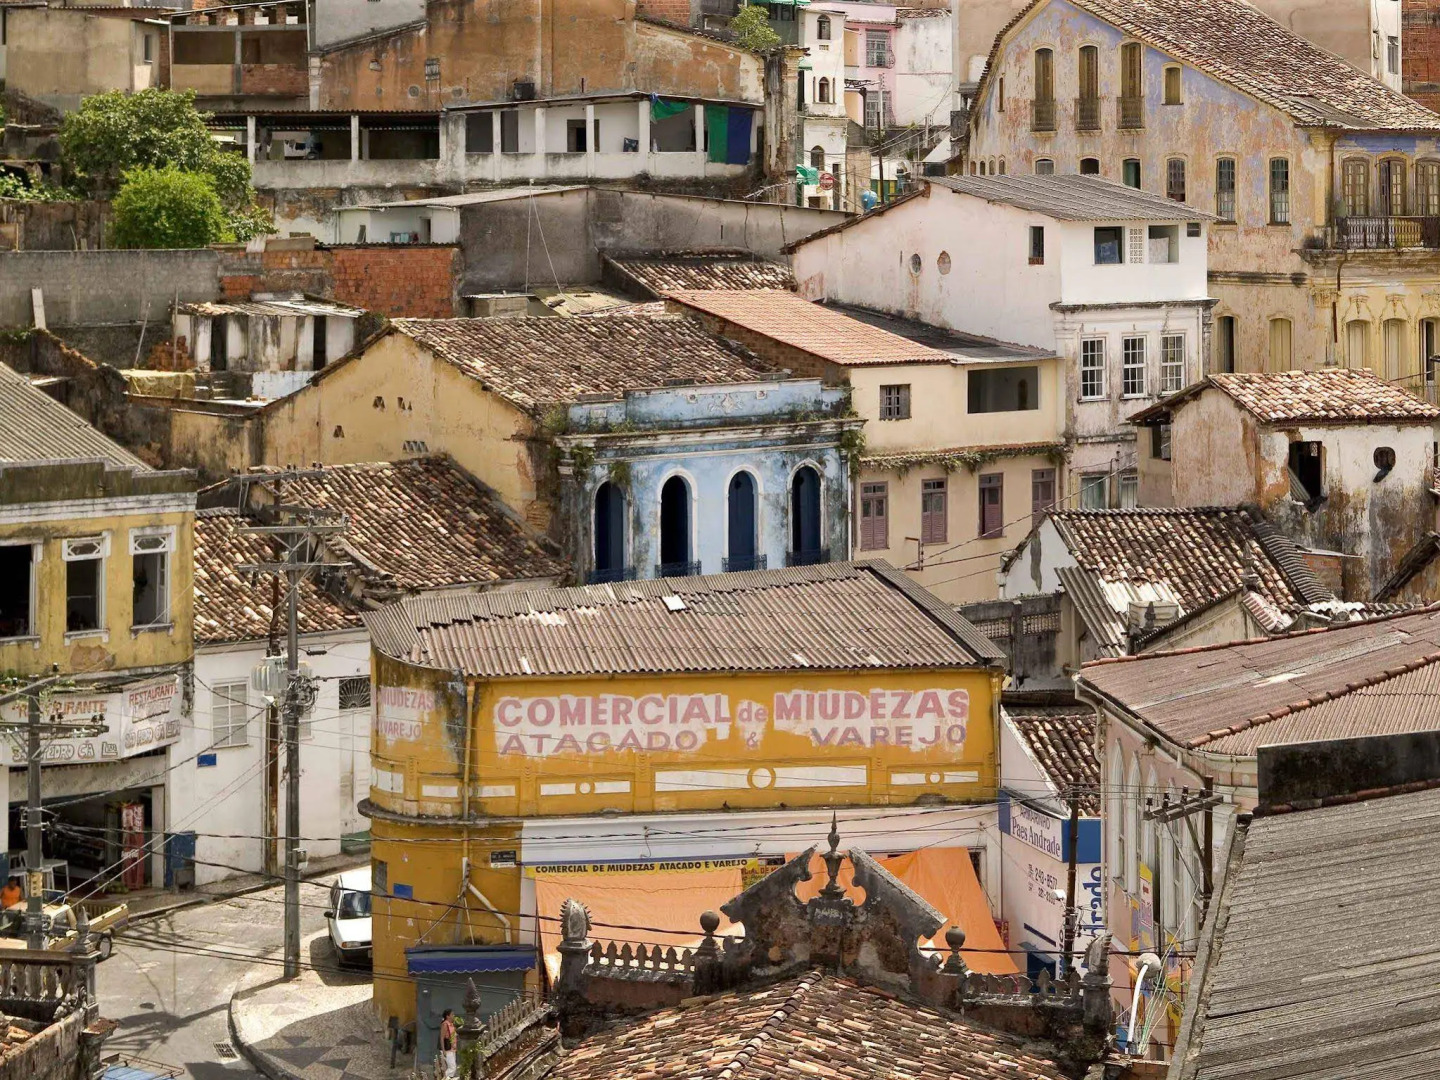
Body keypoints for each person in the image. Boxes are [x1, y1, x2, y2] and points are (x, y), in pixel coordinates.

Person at [439, 1008, 457, 1079]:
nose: (454, 1015)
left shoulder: (451, 1024)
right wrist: (443, 1050)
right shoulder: (445, 1024)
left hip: (452, 1048)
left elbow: (452, 1035)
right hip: (447, 1049)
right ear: (447, 1016)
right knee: (452, 1067)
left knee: (453, 1067)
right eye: (452, 1014)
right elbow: (442, 1037)